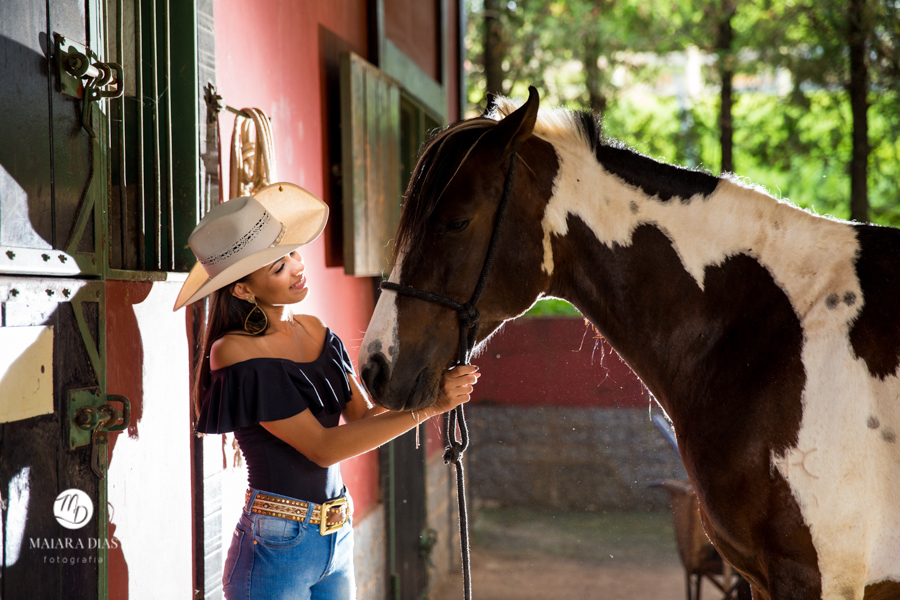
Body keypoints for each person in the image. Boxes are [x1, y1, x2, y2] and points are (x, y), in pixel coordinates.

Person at [173, 182, 480, 600]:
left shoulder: (317, 331)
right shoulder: (234, 353)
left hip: (337, 533)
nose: (298, 267)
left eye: (292, 254)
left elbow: (364, 418)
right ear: (243, 290)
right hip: (277, 544)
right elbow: (322, 447)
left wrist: (429, 385)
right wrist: (430, 408)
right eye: (277, 267)